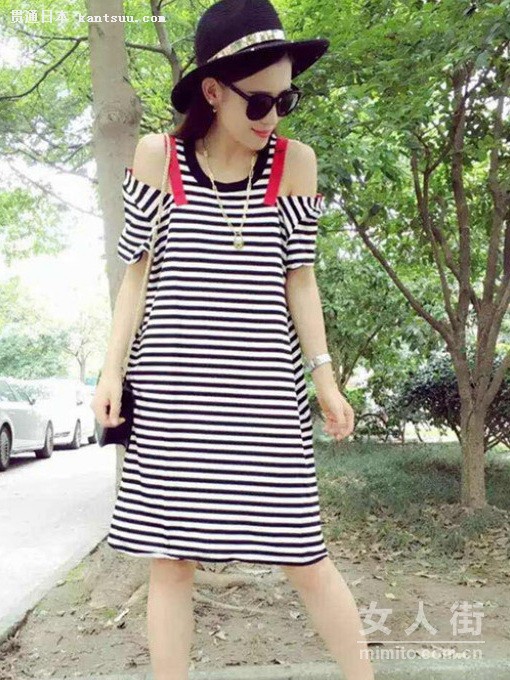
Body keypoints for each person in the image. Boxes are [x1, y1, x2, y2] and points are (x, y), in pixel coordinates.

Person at [92, 0, 375, 678]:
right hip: (174, 396)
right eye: (260, 102)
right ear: (214, 92)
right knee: (171, 561)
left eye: (286, 100)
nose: (273, 117)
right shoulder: (158, 157)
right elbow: (136, 275)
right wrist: (111, 371)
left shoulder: (295, 164)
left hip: (264, 397)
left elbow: (300, 280)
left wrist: (325, 378)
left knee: (305, 554)